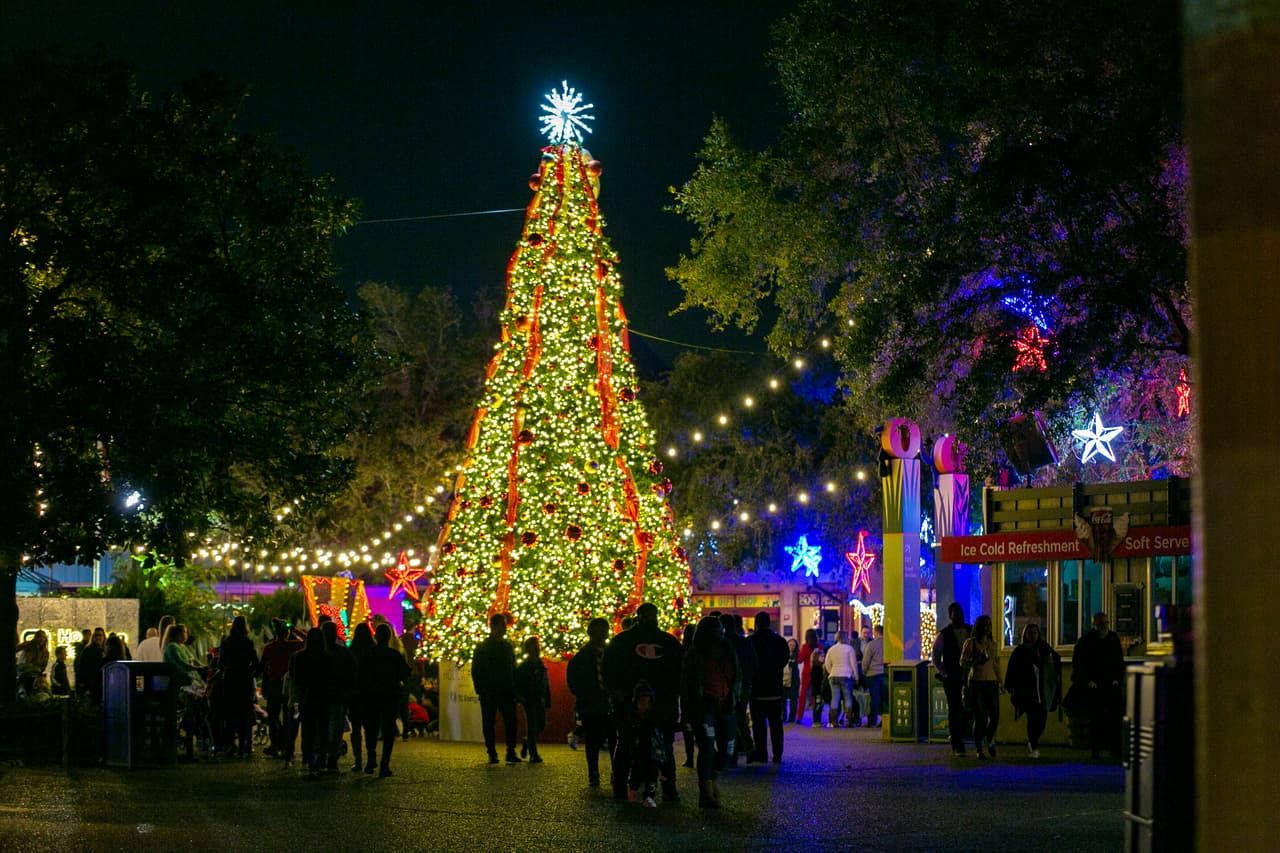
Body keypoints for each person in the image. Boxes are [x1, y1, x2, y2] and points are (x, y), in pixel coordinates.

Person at [603, 602, 684, 802]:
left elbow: (608, 671)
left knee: (628, 743)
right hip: (652, 704)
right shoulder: (668, 642)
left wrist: (617, 693)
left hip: (636, 703)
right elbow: (679, 674)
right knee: (661, 745)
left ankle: (623, 787)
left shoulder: (622, 642)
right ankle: (667, 787)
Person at [680, 615, 738, 809]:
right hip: (704, 706)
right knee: (706, 748)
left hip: (726, 705)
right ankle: (706, 793)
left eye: (720, 629)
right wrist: (687, 713)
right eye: (716, 629)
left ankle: (712, 779)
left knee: (728, 748)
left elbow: (738, 675)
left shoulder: (728, 650)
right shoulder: (695, 655)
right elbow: (687, 686)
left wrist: (737, 695)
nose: (720, 633)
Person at [566, 617, 613, 787]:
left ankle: (616, 772)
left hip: (610, 702)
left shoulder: (610, 653)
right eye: (598, 630)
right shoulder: (583, 656)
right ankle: (593, 773)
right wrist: (583, 695)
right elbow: (573, 679)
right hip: (591, 703)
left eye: (604, 630)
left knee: (612, 737)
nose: (601, 633)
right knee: (593, 740)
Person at [1071, 611, 1125, 758]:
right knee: (1098, 718)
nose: (1104, 627)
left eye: (1105, 623)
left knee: (1111, 718)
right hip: (1098, 684)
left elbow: (1119, 662)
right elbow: (1079, 663)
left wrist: (1116, 679)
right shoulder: (1095, 640)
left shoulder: (1092, 640)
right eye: (1101, 624)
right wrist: (1089, 680)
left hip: (1105, 683)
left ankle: (1111, 748)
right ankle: (1101, 748)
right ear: (1095, 624)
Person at [1005, 623, 1061, 758]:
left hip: (1042, 689)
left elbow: (1055, 660)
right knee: (1032, 717)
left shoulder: (1043, 648)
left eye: (1035, 632)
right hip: (1028, 690)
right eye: (1030, 633)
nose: (1033, 635)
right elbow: (1013, 670)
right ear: (1025, 634)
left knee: (1042, 718)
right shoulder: (1020, 651)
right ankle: (1034, 745)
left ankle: (1033, 741)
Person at [472, 613, 521, 765]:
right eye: (502, 626)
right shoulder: (489, 647)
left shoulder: (502, 646)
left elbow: (512, 668)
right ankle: (496, 751)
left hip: (502, 689)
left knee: (506, 721)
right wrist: (481, 689)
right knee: (495, 721)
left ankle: (502, 751)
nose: (505, 629)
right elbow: (477, 670)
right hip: (493, 690)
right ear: (494, 627)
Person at [364, 623, 410, 777]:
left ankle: (371, 759)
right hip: (390, 695)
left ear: (376, 636)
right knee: (388, 730)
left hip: (371, 695)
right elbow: (405, 673)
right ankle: (384, 764)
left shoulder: (369, 654)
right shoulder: (394, 655)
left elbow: (361, 673)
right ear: (389, 637)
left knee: (371, 728)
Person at [290, 627, 334, 777]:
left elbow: (296, 679)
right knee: (322, 730)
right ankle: (321, 760)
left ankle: (310, 761)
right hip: (324, 696)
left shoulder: (300, 657)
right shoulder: (327, 657)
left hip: (307, 696)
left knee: (308, 730)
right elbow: (331, 678)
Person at [747, 611, 790, 763]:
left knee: (759, 725)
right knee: (776, 723)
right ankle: (777, 753)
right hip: (775, 689)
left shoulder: (751, 641)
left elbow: (748, 663)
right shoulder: (779, 641)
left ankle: (761, 752)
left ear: (757, 623)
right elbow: (784, 660)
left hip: (757, 690)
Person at [216, 615, 260, 757]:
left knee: (230, 714)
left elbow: (220, 663)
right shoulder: (248, 642)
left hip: (230, 680)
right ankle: (243, 745)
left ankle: (230, 745)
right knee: (244, 714)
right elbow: (256, 662)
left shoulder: (227, 642)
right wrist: (251, 673)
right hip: (244, 680)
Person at [931, 602, 972, 756]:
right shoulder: (944, 634)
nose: (958, 616)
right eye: (955, 613)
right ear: (950, 616)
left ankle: (957, 736)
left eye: (959, 612)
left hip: (969, 675)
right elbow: (935, 656)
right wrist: (945, 673)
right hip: (952, 677)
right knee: (955, 709)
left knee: (969, 708)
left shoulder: (970, 630)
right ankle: (957, 743)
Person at [961, 614, 1003, 760]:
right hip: (977, 682)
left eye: (989, 625)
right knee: (981, 717)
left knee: (995, 715)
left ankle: (989, 738)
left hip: (991, 682)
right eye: (985, 625)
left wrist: (1001, 681)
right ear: (979, 627)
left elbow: (996, 664)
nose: (987, 628)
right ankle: (979, 748)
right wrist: (976, 660)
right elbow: (963, 662)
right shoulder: (971, 643)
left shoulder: (992, 644)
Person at [259, 620, 304, 758]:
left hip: (273, 686)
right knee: (288, 716)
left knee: (273, 716)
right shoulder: (293, 646)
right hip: (288, 686)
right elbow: (309, 639)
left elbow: (261, 667)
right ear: (287, 632)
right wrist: (295, 629)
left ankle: (275, 744)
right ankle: (285, 745)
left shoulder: (269, 647)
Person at [717, 613, 755, 765]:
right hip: (742, 686)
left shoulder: (722, 643)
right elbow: (753, 662)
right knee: (740, 719)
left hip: (725, 687)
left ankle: (730, 754)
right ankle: (748, 749)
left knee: (726, 720)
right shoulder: (743, 642)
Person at [623, 680, 666, 808]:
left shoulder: (653, 718)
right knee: (636, 771)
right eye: (641, 701)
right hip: (639, 751)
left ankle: (649, 796)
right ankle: (633, 791)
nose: (644, 705)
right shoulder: (633, 717)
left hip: (651, 752)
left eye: (646, 702)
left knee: (652, 776)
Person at [321, 620, 356, 772]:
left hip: (321, 696)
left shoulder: (317, 653)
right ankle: (331, 761)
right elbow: (352, 672)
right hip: (338, 696)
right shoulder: (343, 653)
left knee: (321, 728)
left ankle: (320, 760)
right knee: (335, 730)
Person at [515, 636, 551, 763]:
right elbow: (518, 682)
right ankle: (533, 754)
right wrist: (521, 696)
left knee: (541, 724)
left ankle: (527, 741)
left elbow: (545, 683)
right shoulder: (524, 667)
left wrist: (547, 698)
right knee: (532, 725)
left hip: (539, 697)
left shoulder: (541, 665)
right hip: (528, 699)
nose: (537, 649)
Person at [348, 622, 376, 772]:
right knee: (370, 727)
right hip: (370, 694)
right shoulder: (374, 651)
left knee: (356, 728)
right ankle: (371, 757)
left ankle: (358, 760)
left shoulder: (352, 651)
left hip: (355, 694)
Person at [824, 631, 861, 728]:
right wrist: (856, 676)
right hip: (846, 676)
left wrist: (831, 671)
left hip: (833, 675)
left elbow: (827, 664)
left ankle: (834, 721)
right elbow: (854, 664)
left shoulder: (831, 649)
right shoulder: (849, 649)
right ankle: (848, 720)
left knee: (835, 698)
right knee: (848, 698)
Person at [862, 624, 885, 727]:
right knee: (884, 697)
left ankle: (872, 720)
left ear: (876, 632)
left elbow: (866, 661)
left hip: (873, 674)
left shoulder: (871, 644)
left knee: (874, 697)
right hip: (884, 673)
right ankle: (884, 720)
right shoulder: (888, 643)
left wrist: (864, 671)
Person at [795, 629, 820, 723]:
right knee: (815, 695)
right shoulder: (819, 646)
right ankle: (816, 718)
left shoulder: (805, 647)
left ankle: (799, 717)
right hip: (817, 673)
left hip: (806, 673)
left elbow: (799, 660)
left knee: (802, 696)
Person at [77, 628, 106, 705]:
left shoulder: (105, 651)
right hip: (91, 686)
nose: (98, 638)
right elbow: (82, 668)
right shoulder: (88, 651)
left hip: (103, 685)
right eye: (96, 635)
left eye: (100, 635)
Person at [17, 630, 50, 696]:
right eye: (39, 637)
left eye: (43, 638)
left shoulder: (45, 652)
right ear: (36, 638)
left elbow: (43, 666)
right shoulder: (29, 644)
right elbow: (17, 649)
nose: (41, 639)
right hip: (25, 672)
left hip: (36, 673)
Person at [807, 646, 828, 727]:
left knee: (819, 705)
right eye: (822, 656)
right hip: (817, 690)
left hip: (819, 690)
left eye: (824, 656)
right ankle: (816, 721)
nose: (824, 658)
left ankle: (818, 720)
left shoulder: (819, 667)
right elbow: (816, 680)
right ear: (816, 658)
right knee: (817, 705)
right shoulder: (816, 668)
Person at [783, 638, 801, 723]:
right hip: (783, 680)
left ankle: (791, 718)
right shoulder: (782, 655)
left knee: (793, 700)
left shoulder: (797, 656)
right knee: (783, 700)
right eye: (790, 645)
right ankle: (783, 716)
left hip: (794, 681)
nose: (791, 647)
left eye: (793, 645)